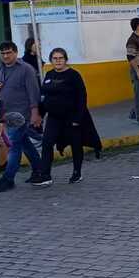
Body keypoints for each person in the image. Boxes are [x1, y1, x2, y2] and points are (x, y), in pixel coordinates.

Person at [33, 48, 101, 185]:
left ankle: (77, 172)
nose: (58, 61)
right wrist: (39, 114)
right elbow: (44, 96)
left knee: (76, 145)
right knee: (47, 143)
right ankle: (45, 175)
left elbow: (82, 97)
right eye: (55, 58)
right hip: (53, 117)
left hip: (72, 117)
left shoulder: (74, 75)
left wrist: (78, 118)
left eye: (61, 58)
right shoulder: (49, 74)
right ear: (51, 60)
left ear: (66, 60)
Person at [0, 42, 42, 193]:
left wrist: (35, 113)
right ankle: (40, 170)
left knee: (14, 147)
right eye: (3, 53)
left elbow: (34, 93)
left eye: (8, 52)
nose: (6, 56)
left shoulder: (26, 69)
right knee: (25, 143)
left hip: (22, 115)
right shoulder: (0, 67)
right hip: (6, 114)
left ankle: (8, 179)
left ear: (15, 52)